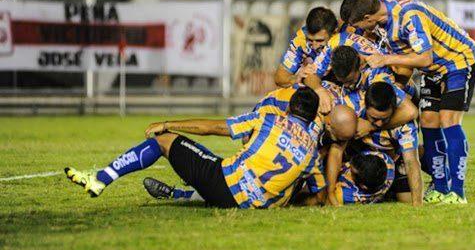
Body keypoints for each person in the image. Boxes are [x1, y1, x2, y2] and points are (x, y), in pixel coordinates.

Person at [65, 88, 329, 208]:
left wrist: (168, 123)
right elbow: (319, 197)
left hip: (224, 186)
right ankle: (180, 195)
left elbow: (214, 127)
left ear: (290, 107)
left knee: (163, 140)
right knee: (213, 162)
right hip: (254, 205)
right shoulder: (311, 155)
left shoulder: (270, 120)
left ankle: (101, 178)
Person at [340, 0, 475, 204]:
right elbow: (409, 54)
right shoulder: (380, 0)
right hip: (433, 70)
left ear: (368, 18)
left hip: (458, 60)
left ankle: (458, 193)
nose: (360, 30)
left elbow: (425, 57)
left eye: (359, 24)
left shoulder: (409, 17)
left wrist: (385, 60)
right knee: (428, 122)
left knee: (448, 120)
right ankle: (440, 188)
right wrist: (396, 87)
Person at [145, 150, 393, 206]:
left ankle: (180, 194)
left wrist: (288, 198)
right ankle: (192, 184)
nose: (346, 168)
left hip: (300, 186)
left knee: (248, 189)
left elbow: (316, 200)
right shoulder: (386, 165)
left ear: (360, 185)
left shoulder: (348, 195)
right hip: (306, 172)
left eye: (350, 172)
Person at [325, 82, 423, 206]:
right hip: (355, 160)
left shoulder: (406, 126)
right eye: (374, 118)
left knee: (406, 199)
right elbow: (337, 150)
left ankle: (389, 189)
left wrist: (418, 204)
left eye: (385, 119)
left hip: (391, 164)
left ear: (394, 109)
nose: (379, 124)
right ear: (365, 106)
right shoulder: (353, 106)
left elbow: (410, 162)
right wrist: (330, 192)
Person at [274, 7, 338, 87]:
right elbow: (279, 78)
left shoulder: (346, 39)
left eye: (319, 41)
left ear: (334, 33)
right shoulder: (301, 39)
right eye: (310, 40)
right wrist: (297, 78)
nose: (314, 47)